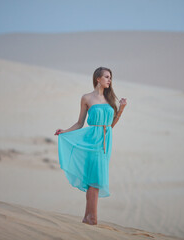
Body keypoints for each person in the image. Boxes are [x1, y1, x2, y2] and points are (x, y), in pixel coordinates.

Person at [54, 67, 127, 225]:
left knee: (95, 180)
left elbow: (110, 125)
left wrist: (121, 110)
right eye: (107, 77)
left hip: (104, 143)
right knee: (94, 180)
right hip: (91, 141)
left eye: (110, 77)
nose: (109, 80)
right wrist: (65, 131)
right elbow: (80, 123)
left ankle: (88, 217)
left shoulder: (109, 100)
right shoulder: (86, 98)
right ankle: (92, 218)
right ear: (97, 79)